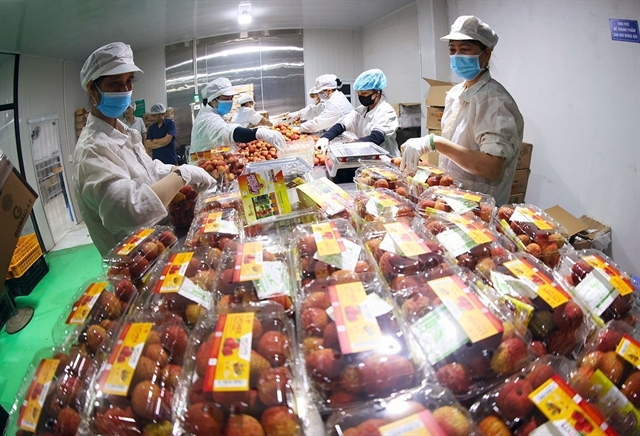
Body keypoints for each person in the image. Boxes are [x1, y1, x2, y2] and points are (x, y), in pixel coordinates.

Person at [73, 42, 214, 255]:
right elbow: (131, 210)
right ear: (92, 89)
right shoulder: (92, 149)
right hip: (133, 259)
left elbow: (148, 169)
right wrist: (182, 174)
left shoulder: (124, 132)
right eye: (114, 83)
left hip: (157, 242)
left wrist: (176, 170)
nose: (124, 90)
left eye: (129, 81)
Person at [401, 16, 524, 206]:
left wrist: (436, 143)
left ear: (486, 54)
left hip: (480, 206)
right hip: (452, 199)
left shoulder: (494, 100)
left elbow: (492, 168)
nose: (457, 55)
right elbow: (457, 150)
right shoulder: (457, 93)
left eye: (465, 49)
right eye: (452, 50)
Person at [315, 69, 400, 157]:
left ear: (377, 93)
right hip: (367, 157)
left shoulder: (386, 111)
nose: (360, 96)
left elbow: (376, 137)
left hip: (386, 159)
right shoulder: (360, 111)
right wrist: (325, 138)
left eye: (364, 93)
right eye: (358, 93)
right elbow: (341, 125)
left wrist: (353, 144)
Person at [190, 77, 286, 153]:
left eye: (231, 98)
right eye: (226, 99)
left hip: (212, 161)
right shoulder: (208, 118)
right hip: (203, 165)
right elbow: (229, 132)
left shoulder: (215, 114)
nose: (230, 102)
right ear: (213, 101)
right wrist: (258, 132)